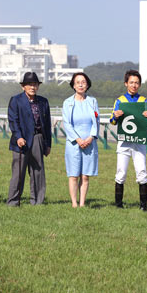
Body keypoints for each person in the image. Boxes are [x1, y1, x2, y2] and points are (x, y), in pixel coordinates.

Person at [110, 69, 147, 211]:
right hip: (124, 142)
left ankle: (144, 205)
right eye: (131, 82)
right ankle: (118, 204)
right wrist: (116, 116)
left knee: (142, 172)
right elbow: (112, 121)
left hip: (139, 142)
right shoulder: (119, 101)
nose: (134, 85)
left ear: (140, 85)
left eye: (137, 83)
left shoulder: (144, 101)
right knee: (121, 173)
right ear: (126, 83)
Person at [7, 72, 52, 206]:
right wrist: (19, 137)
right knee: (18, 173)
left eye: (35, 84)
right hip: (22, 141)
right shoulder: (15, 100)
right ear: (23, 86)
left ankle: (37, 201)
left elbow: (47, 124)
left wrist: (48, 144)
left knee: (37, 172)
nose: (33, 87)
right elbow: (13, 121)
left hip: (38, 139)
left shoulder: (43, 101)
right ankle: (13, 201)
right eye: (29, 84)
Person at [62, 72, 100, 208]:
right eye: (77, 82)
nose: (80, 84)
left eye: (83, 82)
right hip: (73, 143)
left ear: (87, 84)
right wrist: (78, 139)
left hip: (89, 142)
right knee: (73, 175)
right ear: (73, 85)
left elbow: (96, 121)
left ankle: (82, 203)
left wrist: (90, 138)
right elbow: (67, 123)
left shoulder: (92, 101)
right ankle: (74, 203)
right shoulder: (68, 103)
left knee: (85, 175)